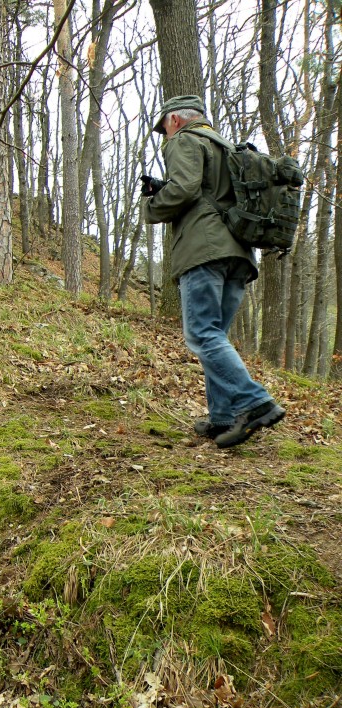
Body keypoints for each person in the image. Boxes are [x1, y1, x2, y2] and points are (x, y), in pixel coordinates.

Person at [142, 95, 285, 449]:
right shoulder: (227, 149)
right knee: (214, 335)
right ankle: (223, 416)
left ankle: (254, 402)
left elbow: (186, 188)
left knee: (202, 333)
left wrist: (152, 204)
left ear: (175, 119)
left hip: (204, 249)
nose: (164, 135)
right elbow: (208, 189)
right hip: (239, 253)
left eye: (164, 127)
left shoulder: (184, 140)